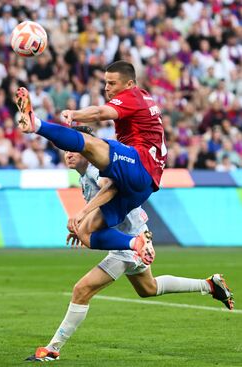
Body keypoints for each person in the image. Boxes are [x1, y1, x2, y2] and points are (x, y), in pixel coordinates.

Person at [26, 126, 234, 362]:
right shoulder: (85, 175)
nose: (68, 154)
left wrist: (83, 215)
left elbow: (112, 186)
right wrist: (85, 224)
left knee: (81, 290)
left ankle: (53, 348)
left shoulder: (97, 171)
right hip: (136, 238)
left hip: (131, 243)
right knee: (149, 288)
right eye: (65, 150)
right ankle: (209, 285)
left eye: (73, 149)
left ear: (87, 149)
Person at [15, 60, 166, 265]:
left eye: (112, 83)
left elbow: (99, 113)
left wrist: (74, 115)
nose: (106, 88)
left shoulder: (133, 96)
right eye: (105, 82)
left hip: (141, 164)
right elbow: (111, 187)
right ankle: (136, 243)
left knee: (90, 145)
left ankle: (36, 124)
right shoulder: (143, 97)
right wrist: (83, 213)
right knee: (84, 232)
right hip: (142, 187)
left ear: (129, 84)